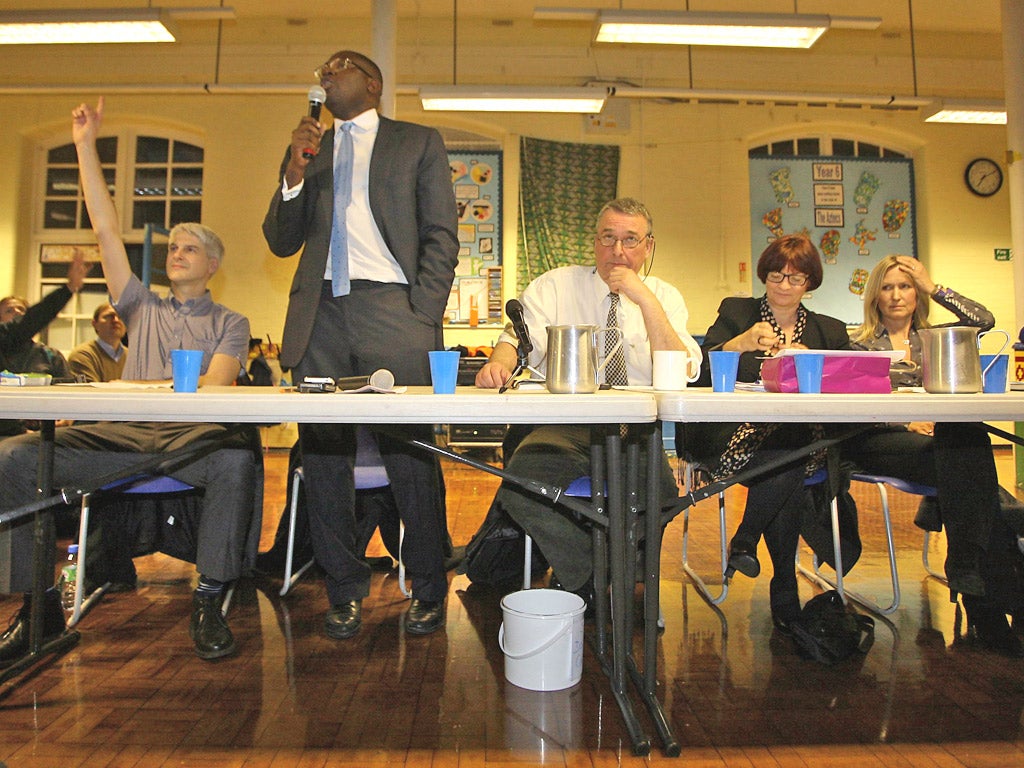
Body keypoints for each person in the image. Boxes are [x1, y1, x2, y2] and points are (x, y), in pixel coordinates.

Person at [0, 96, 259, 667]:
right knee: (15, 457)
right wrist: (86, 147)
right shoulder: (139, 305)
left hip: (186, 441)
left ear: (213, 264)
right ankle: (38, 606)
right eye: (173, 247)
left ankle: (210, 598)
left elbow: (213, 392)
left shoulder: (230, 323)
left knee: (235, 460)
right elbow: (107, 229)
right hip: (119, 438)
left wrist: (168, 390)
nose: (177, 253)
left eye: (191, 248)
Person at [262, 50, 458, 639]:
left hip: (391, 309)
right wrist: (294, 177)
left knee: (410, 459)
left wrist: (420, 311)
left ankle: (427, 586)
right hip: (319, 312)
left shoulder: (417, 141)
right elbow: (279, 239)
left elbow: (441, 234)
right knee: (323, 460)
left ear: (372, 84)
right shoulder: (308, 148)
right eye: (322, 65)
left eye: (343, 64)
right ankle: (343, 590)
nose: (327, 70)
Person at [474, 197, 701, 602]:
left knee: (662, 495)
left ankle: (611, 576)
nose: (618, 251)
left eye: (630, 240)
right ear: (594, 242)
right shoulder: (556, 284)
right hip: (563, 424)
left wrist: (644, 298)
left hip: (635, 430)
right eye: (608, 238)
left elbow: (680, 369)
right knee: (521, 481)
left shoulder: (666, 296)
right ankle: (589, 577)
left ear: (648, 246)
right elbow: (518, 339)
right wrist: (500, 361)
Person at [845, 254, 1023, 655]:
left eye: (905, 286)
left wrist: (933, 286)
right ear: (875, 295)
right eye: (887, 287)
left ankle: (969, 577)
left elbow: (985, 321)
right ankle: (988, 595)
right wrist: (907, 423)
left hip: (938, 445)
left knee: (965, 441)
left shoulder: (936, 337)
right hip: (880, 441)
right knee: (974, 466)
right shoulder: (855, 344)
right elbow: (850, 410)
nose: (896, 296)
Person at [691, 233, 852, 633]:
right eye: (777, 276)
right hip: (734, 436)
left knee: (792, 445)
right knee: (789, 456)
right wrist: (739, 344)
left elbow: (847, 380)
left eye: (795, 279)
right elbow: (702, 374)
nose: (784, 286)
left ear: (809, 284)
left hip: (804, 439)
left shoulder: (827, 330)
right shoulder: (736, 311)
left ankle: (747, 542)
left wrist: (810, 363)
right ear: (764, 275)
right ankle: (782, 587)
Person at [0, 254, 88, 436]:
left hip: (41, 429)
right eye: (9, 310)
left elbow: (32, 320)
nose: (16, 313)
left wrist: (69, 288)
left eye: (21, 310)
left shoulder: (48, 354)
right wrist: (20, 431)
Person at [67, 302, 126, 383]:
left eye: (121, 316)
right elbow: (92, 392)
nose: (116, 320)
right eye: (108, 316)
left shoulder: (134, 357)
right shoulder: (82, 356)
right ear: (95, 324)